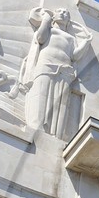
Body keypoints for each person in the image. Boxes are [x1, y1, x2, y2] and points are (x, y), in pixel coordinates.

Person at [18, 8, 91, 136]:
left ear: (68, 20)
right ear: (54, 15)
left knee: (59, 105)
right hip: (45, 66)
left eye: (66, 13)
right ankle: (35, 128)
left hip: (64, 72)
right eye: (60, 11)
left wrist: (86, 42)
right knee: (40, 97)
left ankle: (55, 134)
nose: (63, 13)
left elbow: (74, 56)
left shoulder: (70, 38)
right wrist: (46, 19)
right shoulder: (50, 30)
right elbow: (40, 38)